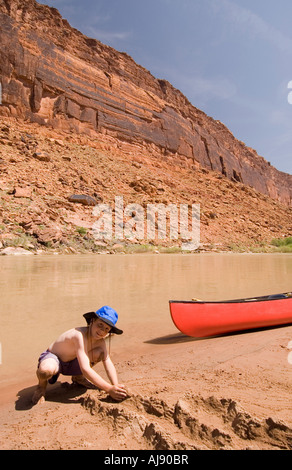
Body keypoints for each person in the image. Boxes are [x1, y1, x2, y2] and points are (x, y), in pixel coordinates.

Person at [32, 306, 128, 405]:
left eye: (106, 329)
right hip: (54, 359)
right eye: (100, 325)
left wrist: (115, 386)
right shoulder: (78, 335)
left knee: (100, 352)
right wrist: (108, 389)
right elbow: (85, 368)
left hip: (72, 362)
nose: (102, 331)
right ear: (92, 321)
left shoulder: (100, 342)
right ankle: (41, 386)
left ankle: (78, 378)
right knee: (45, 370)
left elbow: (108, 362)